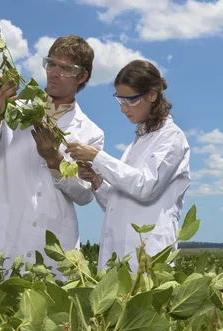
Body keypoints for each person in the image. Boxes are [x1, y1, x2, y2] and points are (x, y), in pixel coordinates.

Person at [0, 35, 104, 279]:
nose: (54, 73)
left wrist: (54, 160)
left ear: (83, 76)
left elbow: (85, 194)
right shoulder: (14, 105)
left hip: (52, 241)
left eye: (65, 68)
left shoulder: (91, 132)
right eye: (51, 64)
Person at [65, 59, 190, 273]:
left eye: (130, 101)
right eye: (119, 100)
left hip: (149, 253)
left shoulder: (173, 138)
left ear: (152, 95)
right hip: (120, 256)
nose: (123, 109)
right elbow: (116, 205)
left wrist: (97, 157)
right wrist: (96, 181)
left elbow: (145, 187)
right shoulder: (138, 142)